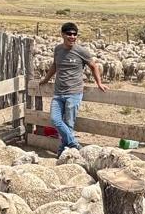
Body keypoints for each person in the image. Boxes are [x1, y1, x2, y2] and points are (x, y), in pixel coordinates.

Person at [37, 22, 107, 155]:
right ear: (62, 34)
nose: (72, 37)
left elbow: (94, 66)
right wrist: (46, 79)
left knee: (68, 124)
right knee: (55, 120)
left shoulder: (81, 51)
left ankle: (62, 152)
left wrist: (99, 83)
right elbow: (55, 66)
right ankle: (74, 145)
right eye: (69, 34)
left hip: (74, 93)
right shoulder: (58, 49)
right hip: (58, 93)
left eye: (75, 34)